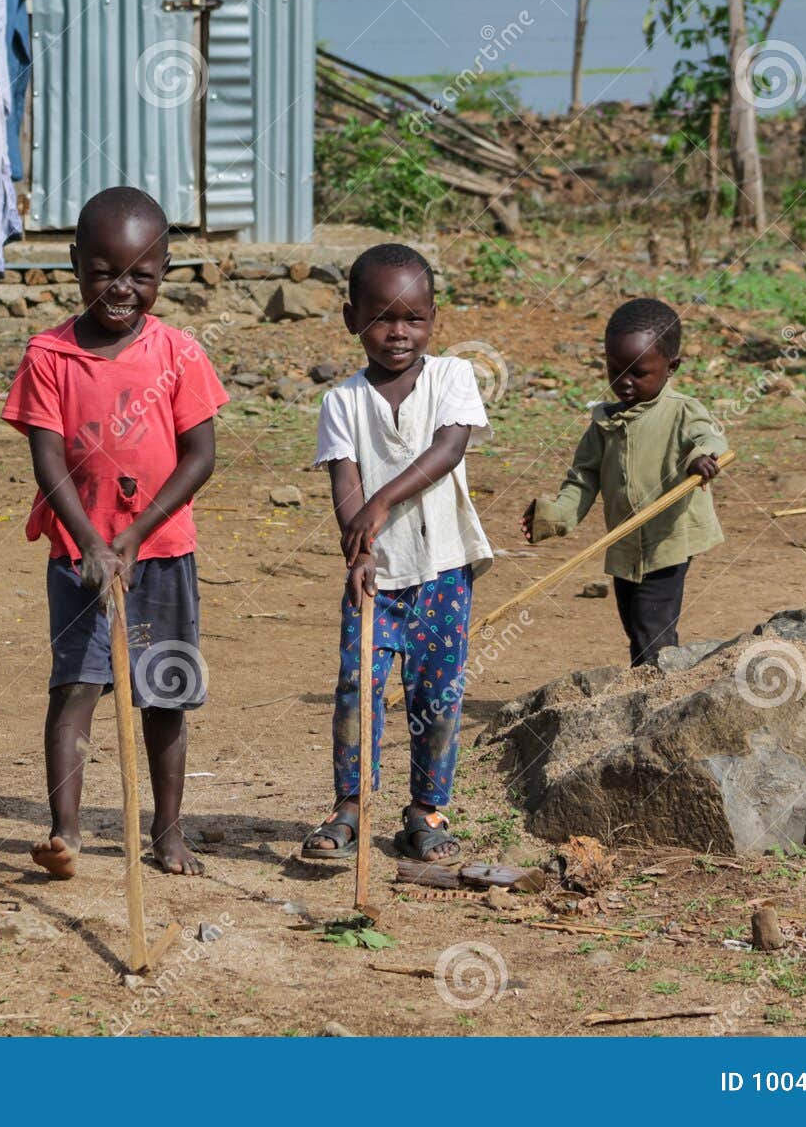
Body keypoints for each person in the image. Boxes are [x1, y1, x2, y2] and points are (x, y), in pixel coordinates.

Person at [1, 186, 228, 879]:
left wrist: (132, 538)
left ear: (164, 270)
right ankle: (64, 830)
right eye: (103, 271)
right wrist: (94, 545)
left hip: (160, 555)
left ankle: (167, 830)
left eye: (141, 274)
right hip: (79, 557)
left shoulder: (180, 355)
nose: (122, 288)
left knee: (164, 694)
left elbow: (202, 455)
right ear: (74, 264)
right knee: (74, 689)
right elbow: (46, 457)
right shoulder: (50, 356)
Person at [302, 244, 493, 867]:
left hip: (442, 571)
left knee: (435, 693)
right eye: (382, 317)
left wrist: (379, 506)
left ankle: (427, 811)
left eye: (414, 317)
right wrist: (355, 548)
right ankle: (350, 806)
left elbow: (449, 450)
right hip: (374, 576)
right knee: (358, 688)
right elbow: (344, 484)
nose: (399, 332)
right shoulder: (343, 403)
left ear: (434, 316)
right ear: (351, 316)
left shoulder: (451, 377)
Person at [522, 297, 727, 667]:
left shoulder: (682, 411)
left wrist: (702, 458)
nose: (624, 383)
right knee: (633, 621)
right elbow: (583, 478)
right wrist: (555, 515)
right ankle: (649, 681)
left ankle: (658, 691)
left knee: (653, 625)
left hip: (668, 539)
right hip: (624, 541)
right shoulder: (605, 425)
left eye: (638, 373)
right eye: (615, 371)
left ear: (671, 367)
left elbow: (709, 438)